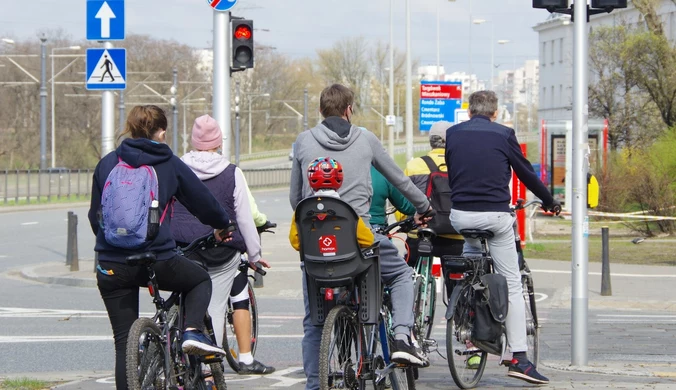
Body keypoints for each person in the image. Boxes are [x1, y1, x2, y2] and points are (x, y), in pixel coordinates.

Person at [290, 84, 433, 390]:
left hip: (316, 248)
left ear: (320, 111)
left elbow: (295, 199)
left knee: (314, 321)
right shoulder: (365, 138)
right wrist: (424, 205)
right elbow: (399, 179)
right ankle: (401, 338)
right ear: (349, 109)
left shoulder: (303, 141)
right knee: (401, 276)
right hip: (360, 244)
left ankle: (315, 385)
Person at [89, 105, 231, 390]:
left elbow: (96, 217)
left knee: (123, 344)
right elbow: (203, 203)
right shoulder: (168, 163)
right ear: (162, 132)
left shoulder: (107, 163)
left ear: (129, 129)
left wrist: (114, 246)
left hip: (111, 264)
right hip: (158, 260)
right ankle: (192, 331)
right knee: (199, 279)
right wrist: (221, 224)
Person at [445, 90, 561, 385]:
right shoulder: (504, 133)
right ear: (495, 113)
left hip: (459, 217)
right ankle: (519, 359)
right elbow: (525, 173)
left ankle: (466, 307)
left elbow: (456, 172)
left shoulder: (453, 134)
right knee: (511, 284)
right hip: (495, 217)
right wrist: (549, 201)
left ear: (470, 112)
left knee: (471, 256)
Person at [171, 114, 275, 375]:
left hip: (184, 246)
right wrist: (255, 253)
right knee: (217, 305)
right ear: (218, 142)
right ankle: (209, 371)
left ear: (193, 141)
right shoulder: (231, 172)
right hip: (221, 249)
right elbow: (244, 217)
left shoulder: (177, 167)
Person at [403, 120, 464, 265]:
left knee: (408, 273)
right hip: (455, 234)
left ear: (431, 141)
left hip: (421, 233)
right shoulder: (462, 165)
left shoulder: (415, 165)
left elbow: (403, 201)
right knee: (457, 279)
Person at [289, 157, 374, 250]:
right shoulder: (347, 210)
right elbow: (368, 240)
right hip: (346, 263)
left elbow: (296, 243)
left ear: (310, 179)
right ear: (340, 179)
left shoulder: (302, 210)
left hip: (314, 263)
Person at [368, 165, 416, 232]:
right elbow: (405, 206)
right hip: (375, 228)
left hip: (350, 228)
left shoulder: (349, 169)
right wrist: (423, 208)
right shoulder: (380, 171)